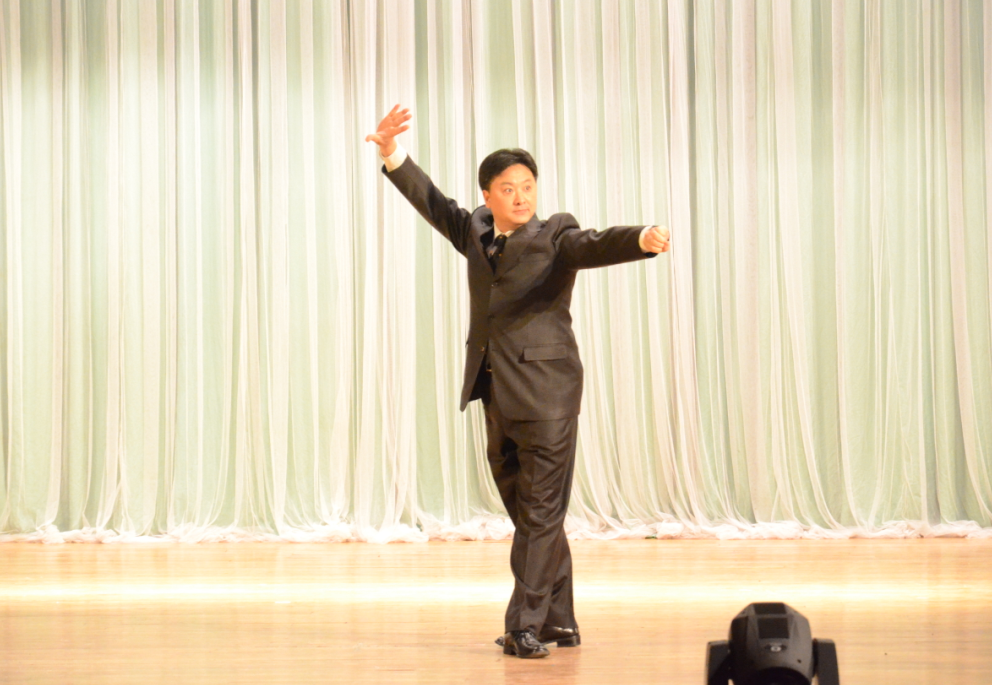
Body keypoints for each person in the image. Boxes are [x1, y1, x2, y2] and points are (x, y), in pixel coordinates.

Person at [367, 105, 671, 659]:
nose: (521, 196)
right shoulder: (475, 230)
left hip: (548, 397)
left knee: (539, 514)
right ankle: (559, 621)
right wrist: (391, 152)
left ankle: (523, 626)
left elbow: (594, 244)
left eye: (528, 186)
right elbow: (431, 202)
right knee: (533, 516)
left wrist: (641, 239)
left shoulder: (555, 234)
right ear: (488, 195)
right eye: (508, 188)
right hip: (496, 395)